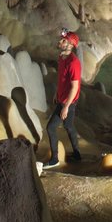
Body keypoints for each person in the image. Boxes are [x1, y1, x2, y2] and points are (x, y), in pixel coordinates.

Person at [46, 30, 82, 168]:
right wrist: (57, 92)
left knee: (51, 128)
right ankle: (77, 154)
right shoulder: (62, 58)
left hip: (69, 101)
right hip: (62, 98)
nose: (60, 42)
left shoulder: (73, 63)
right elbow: (62, 80)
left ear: (71, 45)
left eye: (64, 41)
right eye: (61, 40)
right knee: (68, 126)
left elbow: (74, 87)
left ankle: (54, 159)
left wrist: (66, 106)